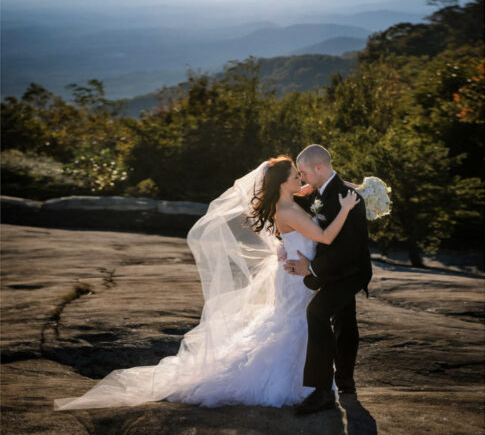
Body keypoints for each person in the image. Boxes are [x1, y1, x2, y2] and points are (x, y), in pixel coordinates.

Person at [53, 155, 360, 411]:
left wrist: (344, 190)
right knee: (297, 326)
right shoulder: (289, 209)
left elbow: (307, 193)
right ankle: (299, 385)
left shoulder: (290, 203)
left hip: (294, 273)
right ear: (282, 183)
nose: (301, 180)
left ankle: (314, 383)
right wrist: (346, 209)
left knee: (298, 324)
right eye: (295, 176)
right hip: (296, 279)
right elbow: (325, 236)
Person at [283, 144, 372, 415]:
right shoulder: (321, 191)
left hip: (351, 271)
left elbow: (348, 251)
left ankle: (322, 392)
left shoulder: (348, 197)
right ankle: (345, 381)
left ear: (319, 168)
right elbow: (298, 205)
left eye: (304, 172)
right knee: (345, 318)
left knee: (317, 312)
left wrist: (312, 269)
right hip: (334, 269)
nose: (302, 178)